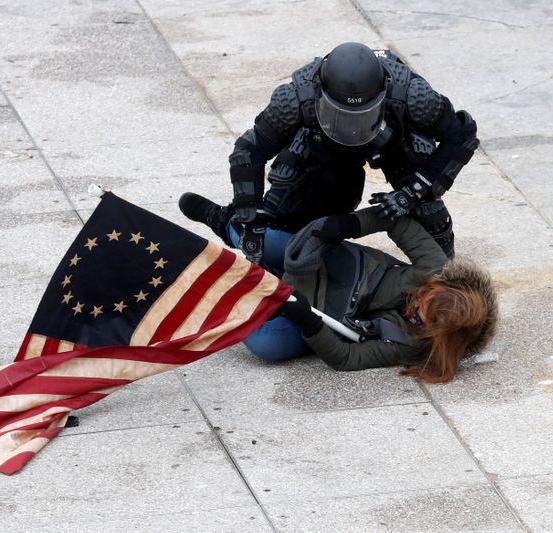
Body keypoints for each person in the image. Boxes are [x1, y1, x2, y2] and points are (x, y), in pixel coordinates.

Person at [180, 41, 479, 275]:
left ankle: (446, 274)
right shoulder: (295, 99)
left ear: (384, 94)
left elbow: (462, 134)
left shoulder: (413, 96)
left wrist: (414, 191)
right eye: (342, 115)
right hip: (323, 145)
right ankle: (223, 220)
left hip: (392, 143)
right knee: (277, 222)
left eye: (358, 116)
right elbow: (248, 151)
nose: (351, 128)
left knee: (434, 230)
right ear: (319, 94)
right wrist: (250, 217)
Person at [242, 207, 498, 383]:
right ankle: (222, 226)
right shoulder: (435, 267)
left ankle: (246, 290)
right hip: (332, 266)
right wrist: (350, 224)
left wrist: (309, 324)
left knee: (265, 344)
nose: (413, 311)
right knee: (258, 238)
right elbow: (396, 220)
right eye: (424, 296)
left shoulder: (410, 345)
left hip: (323, 316)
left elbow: (346, 358)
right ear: (439, 285)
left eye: (420, 320)